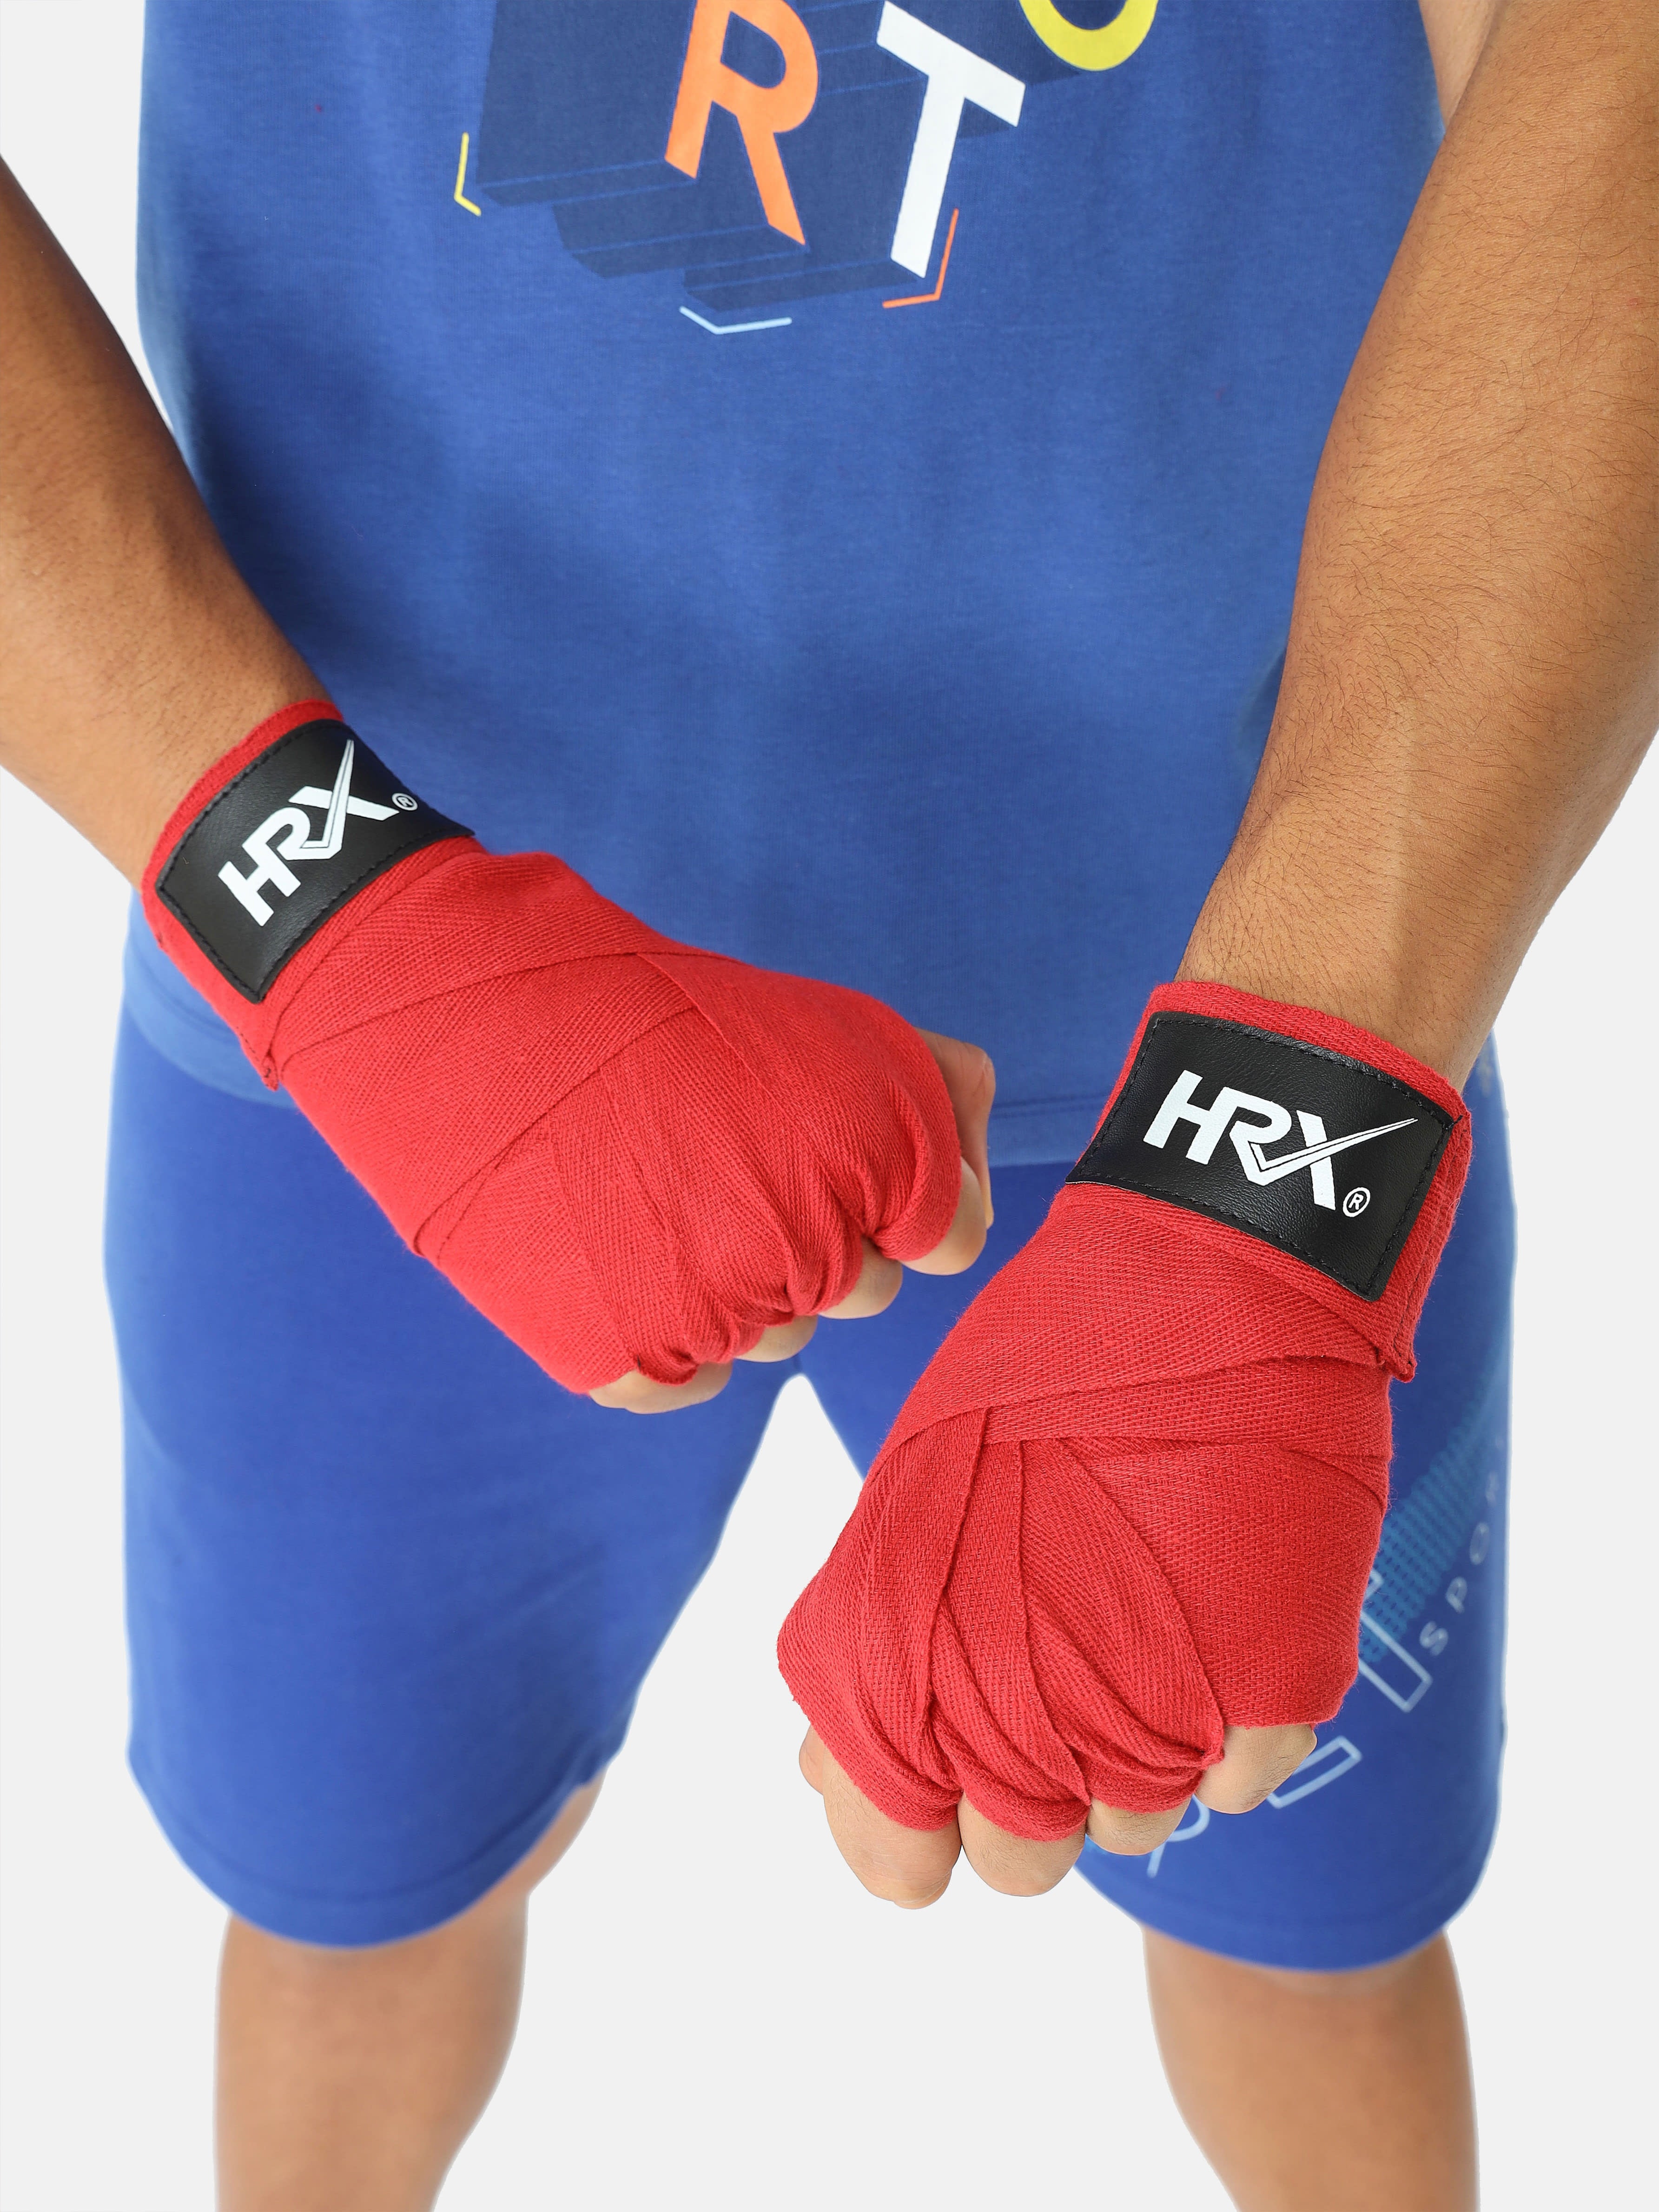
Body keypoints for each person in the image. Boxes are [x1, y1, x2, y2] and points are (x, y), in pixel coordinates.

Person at [1, 0, 1652, 2206]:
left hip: (1216, 1019)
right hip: (379, 1025)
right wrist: (319, 911)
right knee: (352, 1907)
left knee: (1311, 1953)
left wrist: (1288, 1124)